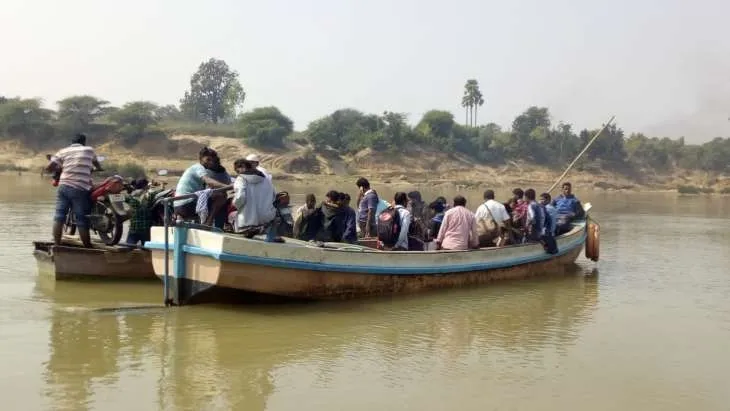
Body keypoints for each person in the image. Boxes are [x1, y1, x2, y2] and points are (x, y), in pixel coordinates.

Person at [45, 133, 103, 248]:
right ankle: (87, 246)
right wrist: (99, 168)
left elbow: (49, 167)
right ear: (84, 142)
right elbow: (96, 163)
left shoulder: (63, 151)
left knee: (59, 216)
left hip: (63, 186)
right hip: (79, 188)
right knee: (81, 218)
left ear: (71, 142)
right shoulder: (89, 150)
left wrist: (55, 169)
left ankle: (57, 244)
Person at [174, 147, 230, 224]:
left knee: (216, 195)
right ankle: (208, 222)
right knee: (222, 196)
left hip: (180, 205)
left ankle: (207, 222)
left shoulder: (198, 168)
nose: (210, 162)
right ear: (201, 158)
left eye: (212, 160)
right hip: (186, 204)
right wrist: (229, 187)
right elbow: (209, 182)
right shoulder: (199, 168)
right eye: (208, 159)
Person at [232, 158, 277, 239]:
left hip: (247, 221)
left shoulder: (241, 179)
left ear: (239, 169)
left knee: (232, 215)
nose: (238, 173)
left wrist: (234, 205)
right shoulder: (266, 179)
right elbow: (274, 196)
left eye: (237, 171)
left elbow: (240, 197)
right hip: (267, 218)